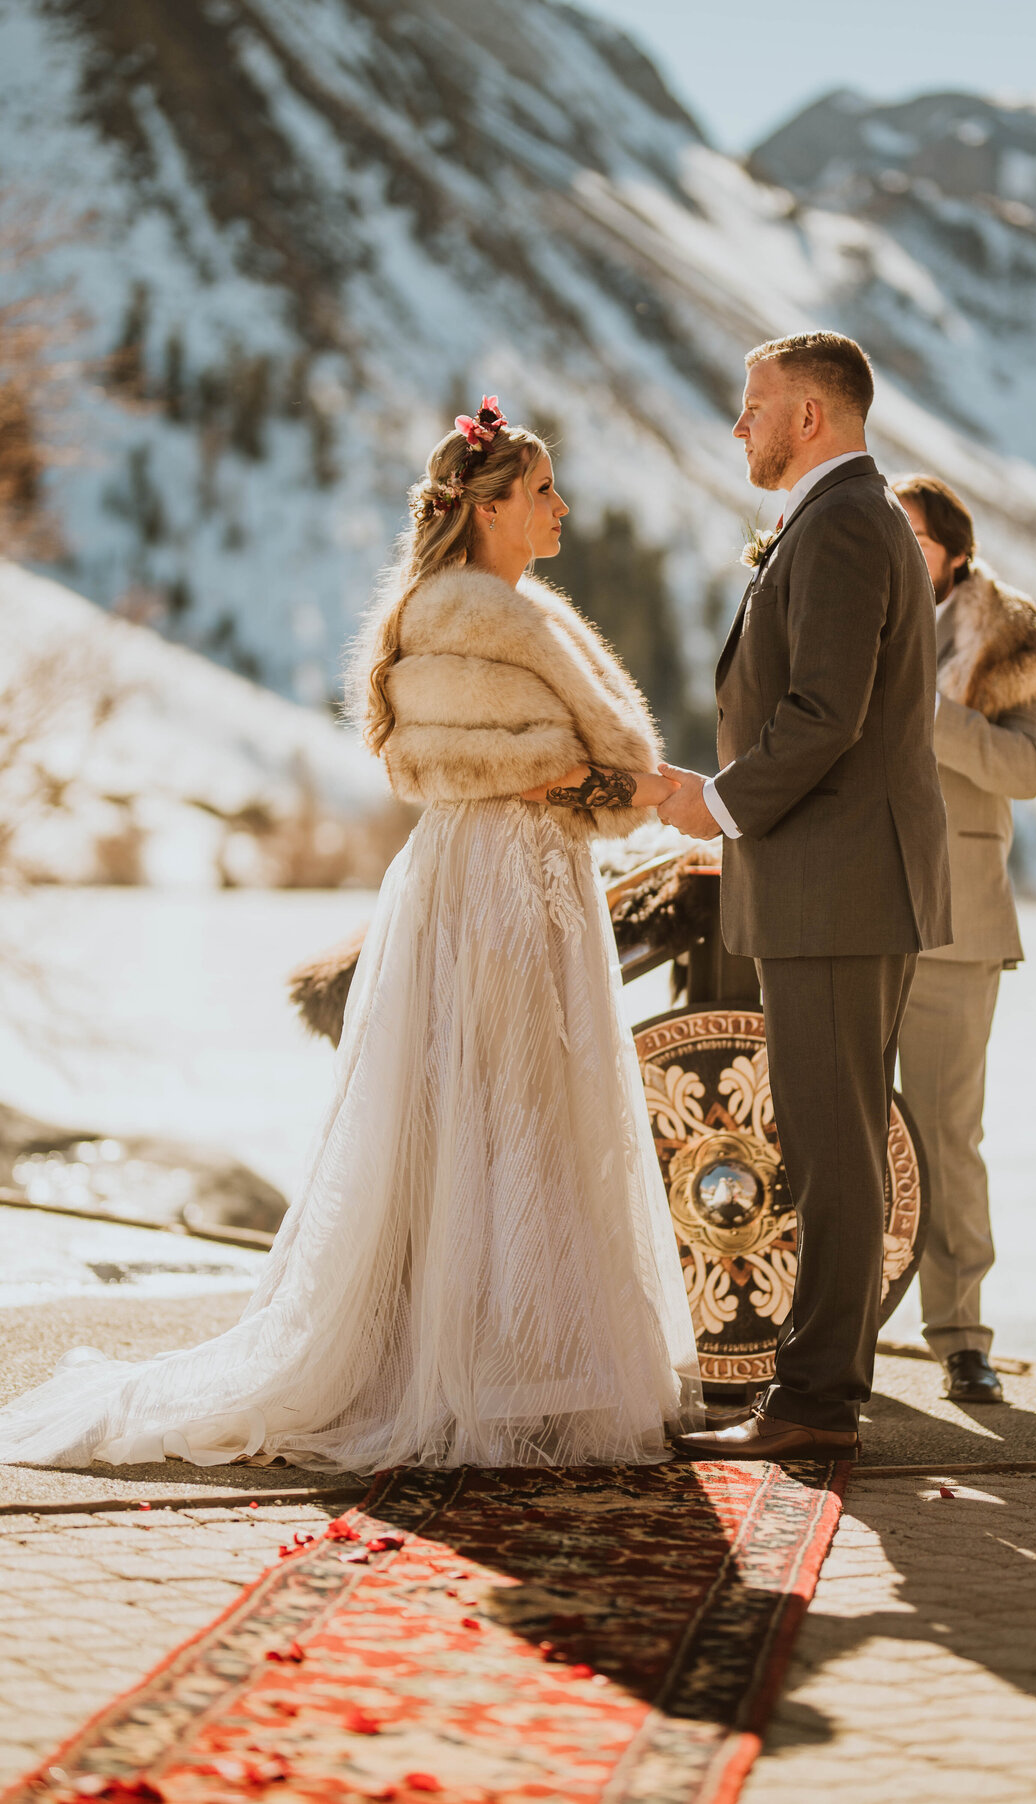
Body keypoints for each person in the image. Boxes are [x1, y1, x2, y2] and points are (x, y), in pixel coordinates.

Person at [0, 398, 702, 1474]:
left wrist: (586, 775)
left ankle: (531, 1362)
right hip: (492, 881)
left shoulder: (509, 612)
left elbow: (567, 763)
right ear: (490, 507)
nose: (560, 508)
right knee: (495, 1105)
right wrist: (575, 772)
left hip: (527, 870)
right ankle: (484, 1367)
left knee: (535, 1110)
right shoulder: (463, 616)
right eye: (542, 491)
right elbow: (466, 758)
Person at [658, 333, 952, 1461]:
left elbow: (824, 714)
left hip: (840, 884)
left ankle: (818, 1401)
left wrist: (718, 803)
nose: (741, 426)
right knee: (837, 1136)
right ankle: (819, 1385)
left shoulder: (839, 525)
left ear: (812, 418)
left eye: (754, 407)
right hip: (841, 878)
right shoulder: (843, 519)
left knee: (834, 1141)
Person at [892, 475, 1036, 1403]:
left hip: (958, 920)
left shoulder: (1015, 640)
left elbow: (1029, 768)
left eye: (911, 536)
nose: (894, 549)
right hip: (850, 909)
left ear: (952, 551)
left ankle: (961, 1339)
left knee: (945, 1137)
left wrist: (928, 712)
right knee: (844, 1136)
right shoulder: (848, 614)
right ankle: (832, 1340)